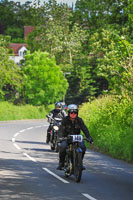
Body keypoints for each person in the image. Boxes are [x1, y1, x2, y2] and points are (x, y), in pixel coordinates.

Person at [57, 104, 93, 170]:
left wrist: (89, 137)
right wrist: (60, 137)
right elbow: (61, 129)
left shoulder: (79, 120)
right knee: (63, 147)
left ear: (77, 113)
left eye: (75, 112)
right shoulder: (65, 120)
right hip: (66, 138)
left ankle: (80, 163)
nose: (73, 114)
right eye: (71, 112)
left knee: (83, 147)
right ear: (68, 113)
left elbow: (84, 129)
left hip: (77, 138)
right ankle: (61, 163)